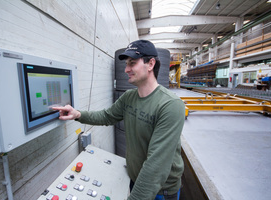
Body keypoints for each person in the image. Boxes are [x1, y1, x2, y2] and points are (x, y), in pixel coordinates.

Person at [53, 40, 185, 200]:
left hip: (161, 191)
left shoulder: (170, 105)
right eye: (126, 64)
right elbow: (106, 116)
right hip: (135, 178)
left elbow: (156, 165)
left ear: (150, 64)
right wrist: (78, 114)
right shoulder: (129, 97)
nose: (126, 69)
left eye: (132, 63)